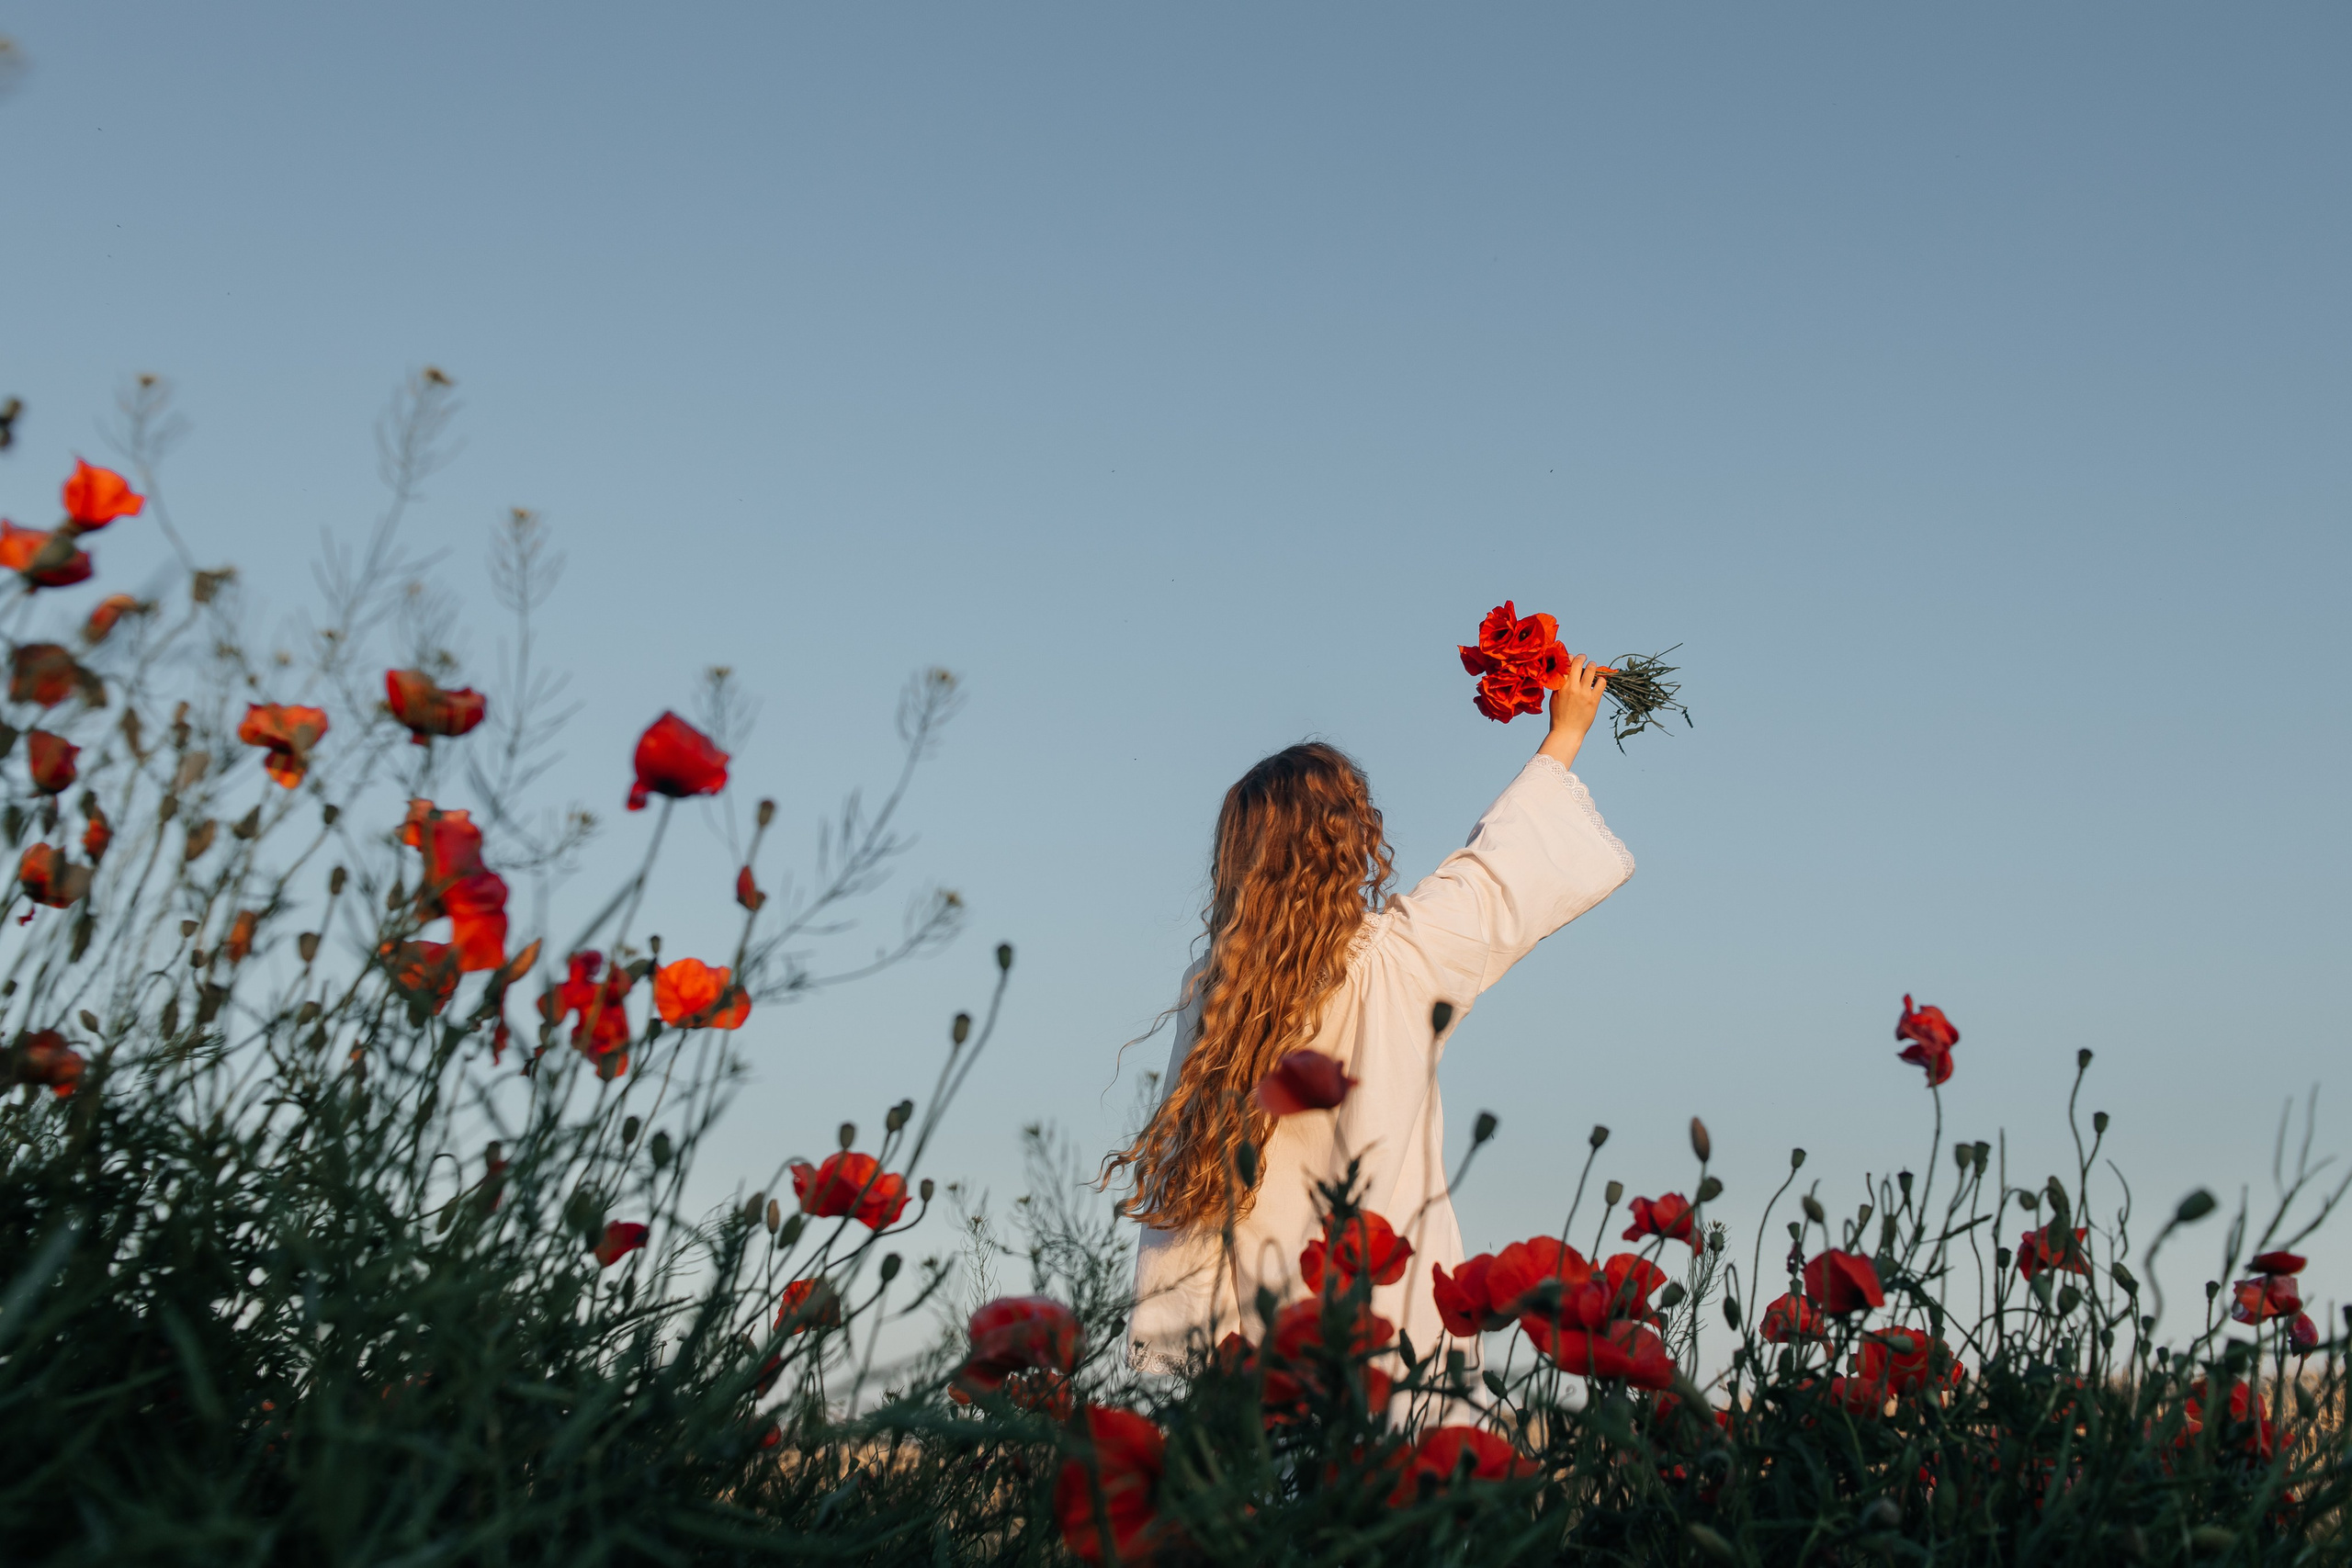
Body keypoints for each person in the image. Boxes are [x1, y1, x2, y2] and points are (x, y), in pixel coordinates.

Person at [1108, 657, 1634, 1380]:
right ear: (1353, 843)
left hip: (1265, 1367)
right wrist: (1566, 733)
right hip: (1394, 1343)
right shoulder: (1400, 960)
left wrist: (1192, 1369)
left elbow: (1186, 1199)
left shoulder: (1216, 998)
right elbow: (1499, 874)